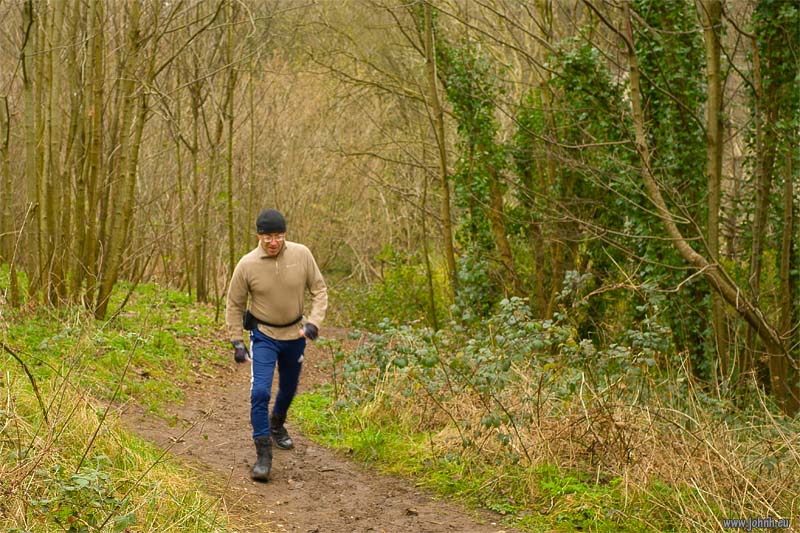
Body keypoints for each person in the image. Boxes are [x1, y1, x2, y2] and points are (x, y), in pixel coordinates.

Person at [225, 208, 327, 481]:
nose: (273, 242)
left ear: (285, 235)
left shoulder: (302, 255)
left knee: (289, 387)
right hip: (264, 335)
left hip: (296, 334)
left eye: (279, 236)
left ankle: (277, 423)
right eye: (268, 237)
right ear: (259, 236)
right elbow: (234, 304)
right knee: (260, 393)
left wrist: (314, 322)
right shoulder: (246, 264)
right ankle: (263, 454)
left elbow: (319, 289)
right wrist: (237, 341)